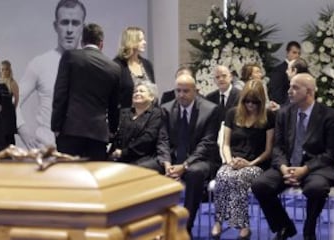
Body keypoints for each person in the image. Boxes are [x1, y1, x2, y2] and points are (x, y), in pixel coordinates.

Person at [251, 73, 334, 240]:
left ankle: (309, 230)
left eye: (295, 87)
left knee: (316, 189)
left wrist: (305, 169)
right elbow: (278, 148)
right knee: (259, 185)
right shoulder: (284, 113)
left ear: (309, 92)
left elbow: (330, 154)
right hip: (287, 165)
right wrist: (284, 168)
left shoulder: (329, 116)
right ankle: (284, 226)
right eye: (290, 86)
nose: (289, 91)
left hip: (316, 168)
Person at [18, 0, 86, 149]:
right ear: (56, 26)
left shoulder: (92, 65)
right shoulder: (39, 63)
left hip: (82, 153)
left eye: (75, 23)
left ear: (82, 27)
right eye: (64, 23)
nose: (69, 30)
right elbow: (13, 101)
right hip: (48, 152)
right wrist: (24, 133)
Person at [211, 80, 275, 239]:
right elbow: (225, 144)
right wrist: (229, 161)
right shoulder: (232, 113)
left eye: (255, 102)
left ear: (261, 101)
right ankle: (218, 221)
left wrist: (250, 164)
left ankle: (242, 226)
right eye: (247, 101)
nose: (251, 105)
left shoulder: (269, 116)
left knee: (238, 179)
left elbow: (268, 150)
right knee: (223, 175)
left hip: (257, 164)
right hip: (233, 161)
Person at [159, 74, 220, 238]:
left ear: (195, 91)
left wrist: (184, 165)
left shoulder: (210, 110)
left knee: (194, 173)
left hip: (201, 160)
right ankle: (155, 227)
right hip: (172, 159)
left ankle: (185, 226)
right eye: (178, 91)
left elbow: (207, 144)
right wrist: (166, 163)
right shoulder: (166, 108)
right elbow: (162, 140)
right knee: (147, 169)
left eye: (185, 91)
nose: (181, 95)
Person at [51, 23, 121, 160]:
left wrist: (56, 126)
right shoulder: (114, 68)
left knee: (68, 177)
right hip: (98, 134)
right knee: (93, 178)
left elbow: (60, 94)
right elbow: (114, 105)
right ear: (101, 43)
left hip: (71, 130)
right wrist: (112, 131)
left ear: (82, 42)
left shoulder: (70, 57)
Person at [109, 81, 165, 172]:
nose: (137, 93)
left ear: (151, 97)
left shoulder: (156, 114)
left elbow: (148, 138)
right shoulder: (125, 113)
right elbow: (116, 134)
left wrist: (123, 152)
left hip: (143, 157)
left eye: (141, 91)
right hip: (119, 155)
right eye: (135, 91)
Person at [114, 26, 155, 109]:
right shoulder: (117, 65)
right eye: (141, 40)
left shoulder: (147, 64)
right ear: (131, 42)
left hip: (149, 116)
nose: (145, 42)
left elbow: (153, 91)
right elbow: (114, 98)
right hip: (126, 117)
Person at [268, 41, 301, 105]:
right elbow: (275, 92)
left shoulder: (299, 70)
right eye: (294, 52)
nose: (297, 55)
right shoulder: (279, 70)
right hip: (283, 107)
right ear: (287, 53)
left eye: (299, 53)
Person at [0, 60, 19, 146]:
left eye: (6, 69)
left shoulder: (12, 83)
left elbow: (17, 98)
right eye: (2, 69)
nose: (4, 71)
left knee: (10, 137)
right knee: (1, 136)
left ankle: (11, 157)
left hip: (9, 113)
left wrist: (12, 109)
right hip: (0, 113)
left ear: (9, 70)